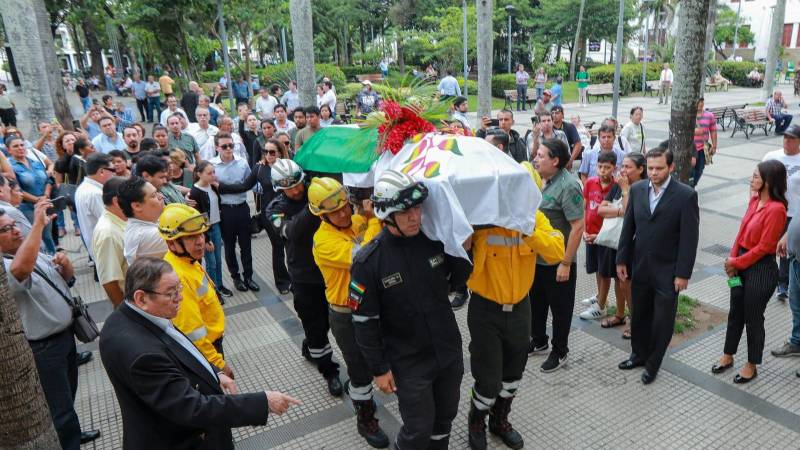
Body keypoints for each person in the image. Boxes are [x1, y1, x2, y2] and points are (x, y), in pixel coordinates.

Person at [99, 257, 299, 449]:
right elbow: (192, 408)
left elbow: (178, 351)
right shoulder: (143, 355)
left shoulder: (132, 317)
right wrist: (263, 403)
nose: (180, 298)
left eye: (179, 288)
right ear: (141, 298)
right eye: (171, 293)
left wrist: (214, 373)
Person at [350, 170, 472, 450]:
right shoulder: (368, 262)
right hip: (408, 361)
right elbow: (364, 322)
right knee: (418, 428)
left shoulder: (434, 240)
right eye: (406, 212)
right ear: (386, 215)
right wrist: (379, 370)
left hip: (447, 351)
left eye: (418, 208)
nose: (416, 216)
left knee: (445, 418)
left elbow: (458, 279)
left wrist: (463, 245)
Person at [466, 164, 564, 450]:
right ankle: (476, 421)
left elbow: (557, 250)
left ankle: (500, 420)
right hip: (486, 310)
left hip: (521, 308)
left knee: (513, 374)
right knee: (488, 377)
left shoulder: (535, 220)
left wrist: (528, 228)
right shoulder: (481, 223)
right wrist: (472, 233)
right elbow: (466, 272)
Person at [0, 202, 101, 449]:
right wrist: (37, 225)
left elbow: (64, 279)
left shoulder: (29, 250)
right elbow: (19, 273)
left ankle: (72, 435)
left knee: (67, 396)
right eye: (6, 229)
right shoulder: (8, 265)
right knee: (59, 406)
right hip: (43, 348)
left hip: (64, 339)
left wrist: (66, 267)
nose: (15, 231)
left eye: (14, 225)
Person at [308, 177, 389, 448]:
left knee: (379, 359)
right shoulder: (323, 241)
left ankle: (362, 399)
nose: (344, 213)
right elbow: (365, 253)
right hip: (346, 314)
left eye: (346, 206)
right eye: (336, 210)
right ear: (322, 215)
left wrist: (367, 216)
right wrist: (375, 219)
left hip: (373, 309)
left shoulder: (355, 222)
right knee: (359, 369)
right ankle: (365, 419)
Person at [616, 144, 700, 384]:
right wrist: (622, 258)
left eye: (659, 168)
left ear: (671, 167)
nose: (653, 173)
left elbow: (689, 239)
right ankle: (638, 355)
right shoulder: (639, 189)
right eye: (650, 168)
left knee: (662, 321)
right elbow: (628, 227)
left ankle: (653, 364)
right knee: (640, 314)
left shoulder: (686, 195)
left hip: (668, 271)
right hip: (640, 266)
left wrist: (683, 274)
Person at [265, 159, 342, 395]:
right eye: (291, 188)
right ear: (280, 188)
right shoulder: (275, 209)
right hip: (304, 275)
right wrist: (312, 208)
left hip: (332, 269)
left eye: (299, 184)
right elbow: (291, 232)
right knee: (315, 323)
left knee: (332, 320)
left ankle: (310, 344)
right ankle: (330, 372)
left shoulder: (317, 193)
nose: (298, 190)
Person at [712, 160, 787, 383]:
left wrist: (737, 262)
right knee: (735, 311)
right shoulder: (754, 201)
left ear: (768, 181)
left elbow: (765, 247)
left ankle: (752, 364)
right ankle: (728, 355)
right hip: (739, 264)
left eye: (756, 176)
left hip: (760, 270)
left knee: (753, 317)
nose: (752, 179)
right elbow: (741, 232)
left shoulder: (777, 209)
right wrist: (731, 261)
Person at [529, 139, 585, 372]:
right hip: (537, 258)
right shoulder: (539, 179)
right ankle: (539, 340)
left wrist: (565, 263)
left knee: (560, 309)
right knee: (537, 304)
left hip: (558, 261)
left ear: (555, 160)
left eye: (541, 155)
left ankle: (560, 350)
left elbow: (578, 226)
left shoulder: (568, 185)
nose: (536, 158)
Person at [158, 203, 232, 371]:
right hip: (206, 352)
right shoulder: (178, 278)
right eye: (191, 237)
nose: (200, 242)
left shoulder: (186, 260)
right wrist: (218, 364)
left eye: (201, 234)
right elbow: (192, 332)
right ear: (172, 244)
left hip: (210, 343)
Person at [217, 138, 291, 294]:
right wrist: (219, 187)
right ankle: (282, 282)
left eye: (272, 152)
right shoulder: (259, 168)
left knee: (292, 246)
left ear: (279, 152)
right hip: (271, 215)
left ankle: (294, 277)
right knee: (278, 246)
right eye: (266, 152)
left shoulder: (287, 166)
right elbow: (244, 186)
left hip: (289, 212)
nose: (268, 155)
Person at [596, 153, 646, 338]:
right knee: (618, 278)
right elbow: (601, 209)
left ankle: (637, 322)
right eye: (622, 166)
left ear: (641, 169)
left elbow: (631, 213)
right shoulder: (618, 187)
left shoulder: (643, 188)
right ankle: (619, 314)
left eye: (628, 167)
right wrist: (619, 210)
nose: (623, 171)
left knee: (627, 283)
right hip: (617, 240)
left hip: (634, 243)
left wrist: (625, 193)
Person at [209, 132, 258, 292]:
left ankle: (249, 277)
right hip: (224, 211)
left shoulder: (242, 163)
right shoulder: (212, 166)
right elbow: (211, 188)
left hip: (242, 208)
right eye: (224, 146)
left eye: (231, 145)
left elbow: (247, 185)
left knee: (246, 245)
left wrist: (223, 187)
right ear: (217, 147)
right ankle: (236, 278)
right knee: (229, 247)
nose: (229, 149)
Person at [763, 125, 800, 308]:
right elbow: (758, 180)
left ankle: (783, 284)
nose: (787, 141)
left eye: (792, 138)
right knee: (769, 246)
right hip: (772, 211)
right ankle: (770, 278)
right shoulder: (772, 156)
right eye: (785, 137)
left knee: (786, 251)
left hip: (794, 214)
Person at [578, 152, 617, 321]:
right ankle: (601, 295)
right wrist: (584, 230)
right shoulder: (590, 183)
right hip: (590, 234)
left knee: (605, 271)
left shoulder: (615, 188)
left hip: (605, 238)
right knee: (596, 268)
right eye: (600, 167)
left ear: (614, 168)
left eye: (607, 167)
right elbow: (585, 207)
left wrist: (598, 235)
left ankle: (600, 307)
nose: (603, 171)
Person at [6, 135, 56, 253]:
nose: (20, 148)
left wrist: (46, 195)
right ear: (9, 150)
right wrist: (37, 200)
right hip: (28, 208)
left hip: (45, 204)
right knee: (37, 238)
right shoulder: (10, 167)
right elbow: (17, 189)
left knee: (48, 237)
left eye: (22, 145)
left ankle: (55, 262)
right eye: (16, 146)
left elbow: (48, 180)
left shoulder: (36, 162)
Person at [190, 161, 232, 298]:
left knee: (219, 260)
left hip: (217, 226)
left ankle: (219, 285)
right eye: (209, 173)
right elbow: (199, 217)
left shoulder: (213, 187)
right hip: (206, 230)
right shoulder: (195, 192)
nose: (213, 175)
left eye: (214, 172)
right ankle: (213, 291)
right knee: (211, 263)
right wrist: (206, 238)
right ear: (199, 174)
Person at [92, 176, 128, 307]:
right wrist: (125, 313)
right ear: (117, 201)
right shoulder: (108, 233)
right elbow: (110, 282)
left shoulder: (121, 220)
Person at [75, 153, 115, 258]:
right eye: (112, 170)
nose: (114, 174)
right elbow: (111, 222)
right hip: (105, 250)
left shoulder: (83, 187)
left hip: (98, 248)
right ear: (101, 171)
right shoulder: (95, 193)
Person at [119, 176, 167, 265]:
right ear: (137, 206)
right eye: (154, 195)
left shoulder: (147, 221)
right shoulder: (146, 235)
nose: (161, 196)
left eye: (158, 192)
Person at [692, 97, 717, 187]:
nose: (700, 103)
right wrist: (694, 131)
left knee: (700, 169)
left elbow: (713, 130)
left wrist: (714, 146)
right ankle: (691, 186)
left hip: (703, 148)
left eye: (702, 101)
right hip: (690, 149)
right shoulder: (689, 115)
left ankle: (692, 184)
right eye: (698, 101)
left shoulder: (709, 115)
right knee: (691, 169)